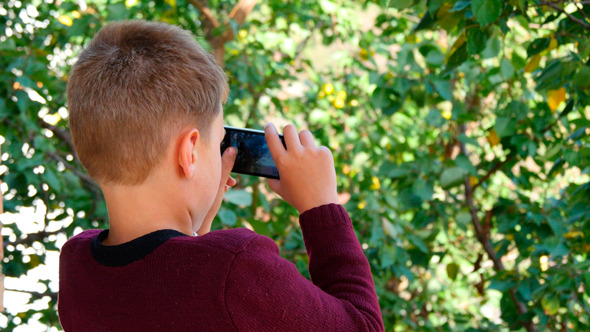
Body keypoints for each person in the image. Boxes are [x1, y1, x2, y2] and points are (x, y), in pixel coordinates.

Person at [58, 20, 384, 331]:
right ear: (190, 152)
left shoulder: (76, 265)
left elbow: (159, 296)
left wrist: (190, 239)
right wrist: (321, 208)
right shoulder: (232, 268)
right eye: (218, 142)